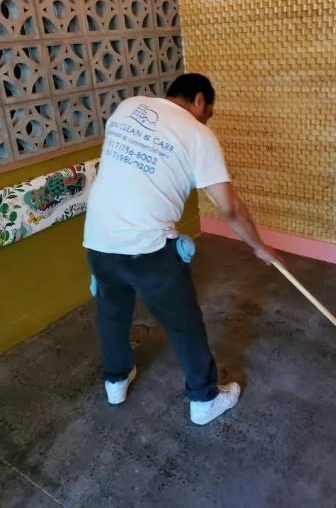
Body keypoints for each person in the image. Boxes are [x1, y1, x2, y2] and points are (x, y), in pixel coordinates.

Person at [83, 73, 279, 425]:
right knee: (184, 324)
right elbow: (230, 209)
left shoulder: (128, 107)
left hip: (98, 240)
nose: (206, 120)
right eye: (208, 113)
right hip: (149, 248)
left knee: (112, 315)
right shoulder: (198, 135)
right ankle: (204, 400)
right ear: (200, 100)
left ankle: (116, 381)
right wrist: (259, 247)